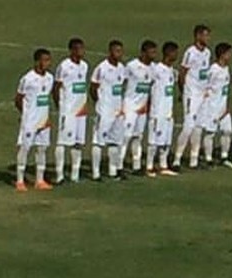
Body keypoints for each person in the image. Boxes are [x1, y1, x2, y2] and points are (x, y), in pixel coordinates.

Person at [14, 48, 55, 192]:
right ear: (37, 61)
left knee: (42, 149)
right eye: (45, 60)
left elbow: (45, 99)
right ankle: (19, 180)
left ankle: (39, 180)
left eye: (49, 60)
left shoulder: (50, 78)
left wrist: (47, 117)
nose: (48, 63)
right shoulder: (28, 79)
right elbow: (18, 99)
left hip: (43, 121)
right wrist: (26, 114)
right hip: (30, 121)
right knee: (25, 148)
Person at [172, 24, 211, 170]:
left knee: (199, 127)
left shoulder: (207, 52)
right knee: (188, 126)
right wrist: (184, 91)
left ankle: (193, 160)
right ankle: (177, 159)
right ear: (198, 36)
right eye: (206, 35)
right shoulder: (190, 52)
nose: (208, 38)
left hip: (202, 95)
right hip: (192, 94)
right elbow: (182, 73)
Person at [52, 38, 88, 185]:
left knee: (78, 143)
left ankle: (75, 174)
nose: (82, 51)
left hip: (81, 110)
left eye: (83, 48)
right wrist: (59, 106)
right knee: (62, 142)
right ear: (72, 50)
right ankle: (59, 175)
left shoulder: (84, 66)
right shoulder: (64, 66)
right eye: (79, 49)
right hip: (68, 110)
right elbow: (56, 87)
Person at [90, 40, 127, 181]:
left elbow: (121, 86)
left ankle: (113, 171)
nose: (119, 54)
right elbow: (93, 88)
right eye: (117, 51)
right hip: (105, 111)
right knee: (99, 141)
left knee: (115, 141)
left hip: (117, 111)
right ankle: (96, 173)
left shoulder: (121, 68)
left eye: (121, 51)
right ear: (110, 51)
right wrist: (100, 104)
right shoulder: (102, 68)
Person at [120, 40, 156, 174]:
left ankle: (136, 165)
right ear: (143, 52)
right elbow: (122, 82)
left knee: (138, 137)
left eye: (155, 52)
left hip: (142, 108)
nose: (154, 55)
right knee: (125, 137)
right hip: (130, 106)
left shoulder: (153, 68)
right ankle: (118, 165)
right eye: (151, 52)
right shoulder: (132, 66)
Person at [146, 41, 180, 178]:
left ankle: (163, 165)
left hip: (168, 112)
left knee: (166, 141)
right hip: (157, 111)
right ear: (168, 53)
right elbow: (148, 87)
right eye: (175, 52)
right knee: (153, 141)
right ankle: (148, 166)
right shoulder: (156, 69)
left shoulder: (172, 71)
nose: (176, 55)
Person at [200, 43, 232, 168]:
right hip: (212, 107)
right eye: (229, 53)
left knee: (227, 131)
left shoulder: (226, 68)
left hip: (223, 107)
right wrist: (206, 105)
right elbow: (205, 87)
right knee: (210, 132)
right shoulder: (213, 70)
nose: (230, 56)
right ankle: (208, 158)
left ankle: (224, 156)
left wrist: (226, 105)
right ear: (222, 54)